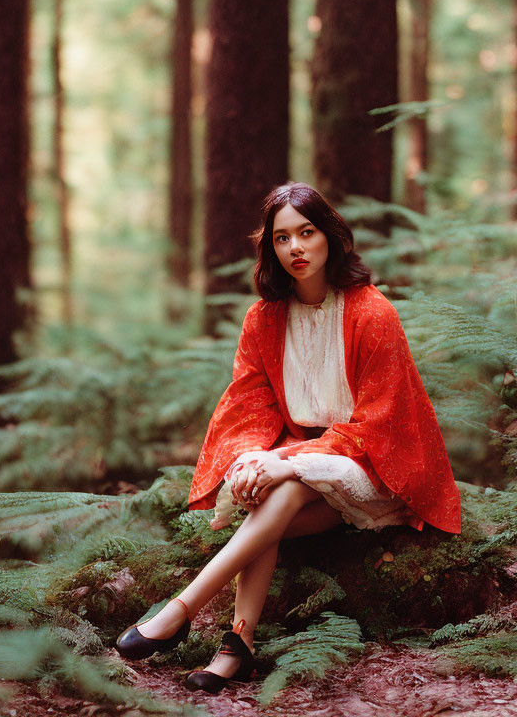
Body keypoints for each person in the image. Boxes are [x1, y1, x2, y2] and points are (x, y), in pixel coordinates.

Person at [116, 182, 461, 694]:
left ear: (332, 237)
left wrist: (291, 460)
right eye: (282, 238)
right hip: (303, 465)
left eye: (307, 232)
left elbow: (381, 421)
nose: (296, 248)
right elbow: (245, 407)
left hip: (370, 463)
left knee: (289, 482)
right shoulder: (265, 319)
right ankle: (237, 646)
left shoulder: (372, 311)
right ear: (270, 248)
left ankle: (181, 608)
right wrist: (253, 460)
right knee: (272, 490)